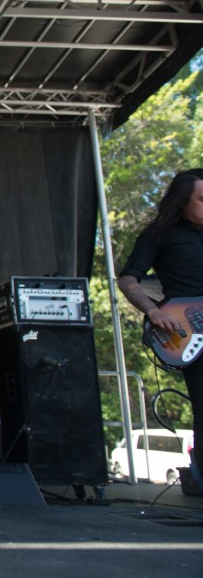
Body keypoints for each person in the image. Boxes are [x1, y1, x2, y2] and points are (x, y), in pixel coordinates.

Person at [118, 168, 203, 484]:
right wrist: (153, 311)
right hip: (189, 331)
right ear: (182, 202)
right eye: (202, 199)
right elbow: (128, 279)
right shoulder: (159, 234)